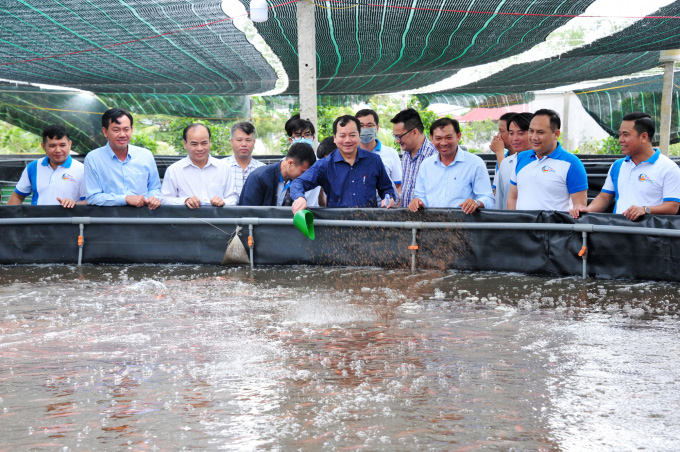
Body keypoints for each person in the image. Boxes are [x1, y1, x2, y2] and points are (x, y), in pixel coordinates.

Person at [570, 112, 680, 220]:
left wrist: (645, 210)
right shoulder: (617, 166)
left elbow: (672, 206)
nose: (620, 140)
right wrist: (588, 210)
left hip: (650, 235)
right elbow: (604, 198)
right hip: (618, 232)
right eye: (620, 134)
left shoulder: (669, 168)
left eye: (626, 134)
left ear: (644, 137)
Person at [290, 115, 396, 214]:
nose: (347, 140)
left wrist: (389, 198)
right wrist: (300, 198)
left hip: (368, 224)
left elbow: (386, 188)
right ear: (335, 138)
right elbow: (298, 183)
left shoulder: (374, 160)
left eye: (352, 135)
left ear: (359, 136)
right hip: (337, 225)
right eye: (342, 135)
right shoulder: (325, 164)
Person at [508, 109, 587, 211]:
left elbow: (579, 207)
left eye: (540, 132)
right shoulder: (520, 158)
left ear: (556, 134)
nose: (534, 137)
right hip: (522, 226)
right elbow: (513, 197)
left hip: (555, 226)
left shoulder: (572, 163)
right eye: (531, 131)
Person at [408, 118, 494, 213]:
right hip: (432, 224)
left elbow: (488, 199)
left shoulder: (475, 163)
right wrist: (418, 202)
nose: (443, 143)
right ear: (431, 139)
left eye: (448, 138)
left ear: (458, 136)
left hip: (464, 224)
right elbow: (421, 196)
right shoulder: (426, 165)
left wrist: (476, 203)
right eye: (438, 138)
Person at [84, 108, 161, 208]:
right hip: (110, 219)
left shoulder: (145, 155)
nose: (122, 135)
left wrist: (153, 198)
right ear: (105, 131)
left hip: (143, 217)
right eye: (116, 130)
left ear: (132, 130)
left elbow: (155, 188)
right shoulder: (93, 158)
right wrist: (125, 199)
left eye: (126, 129)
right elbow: (93, 197)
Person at [160, 124, 237, 208]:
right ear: (185, 144)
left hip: (217, 219)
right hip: (186, 219)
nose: (200, 148)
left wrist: (223, 202)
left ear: (209, 142)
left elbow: (233, 197)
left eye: (204, 143)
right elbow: (165, 199)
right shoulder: (174, 170)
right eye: (194, 144)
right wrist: (185, 201)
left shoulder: (224, 168)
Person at [8, 124, 85, 208]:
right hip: (38, 219)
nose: (58, 150)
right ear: (43, 146)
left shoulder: (82, 169)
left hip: (70, 220)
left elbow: (89, 200)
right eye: (52, 146)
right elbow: (18, 196)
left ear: (70, 144)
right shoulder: (33, 167)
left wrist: (75, 203)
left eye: (62, 145)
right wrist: (8, 218)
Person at [239, 142, 317, 206]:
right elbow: (247, 213)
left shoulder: (297, 183)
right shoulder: (259, 178)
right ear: (290, 163)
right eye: (303, 172)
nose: (304, 176)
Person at [391, 108, 437, 207]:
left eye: (399, 136)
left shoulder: (434, 156)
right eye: (395, 137)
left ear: (415, 132)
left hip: (427, 219)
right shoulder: (406, 155)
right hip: (407, 218)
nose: (397, 141)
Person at [355, 108, 402, 199]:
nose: (365, 129)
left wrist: (393, 202)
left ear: (377, 128)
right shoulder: (350, 154)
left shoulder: (391, 154)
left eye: (369, 125)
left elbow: (398, 185)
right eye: (361, 125)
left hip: (384, 209)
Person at [493, 113, 533, 209]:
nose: (515, 138)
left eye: (520, 133)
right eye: (511, 133)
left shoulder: (547, 163)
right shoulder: (505, 163)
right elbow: (499, 200)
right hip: (509, 222)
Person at [223, 122, 264, 199]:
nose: (244, 144)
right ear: (231, 141)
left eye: (248, 140)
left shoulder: (262, 169)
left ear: (254, 142)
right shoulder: (221, 167)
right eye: (239, 140)